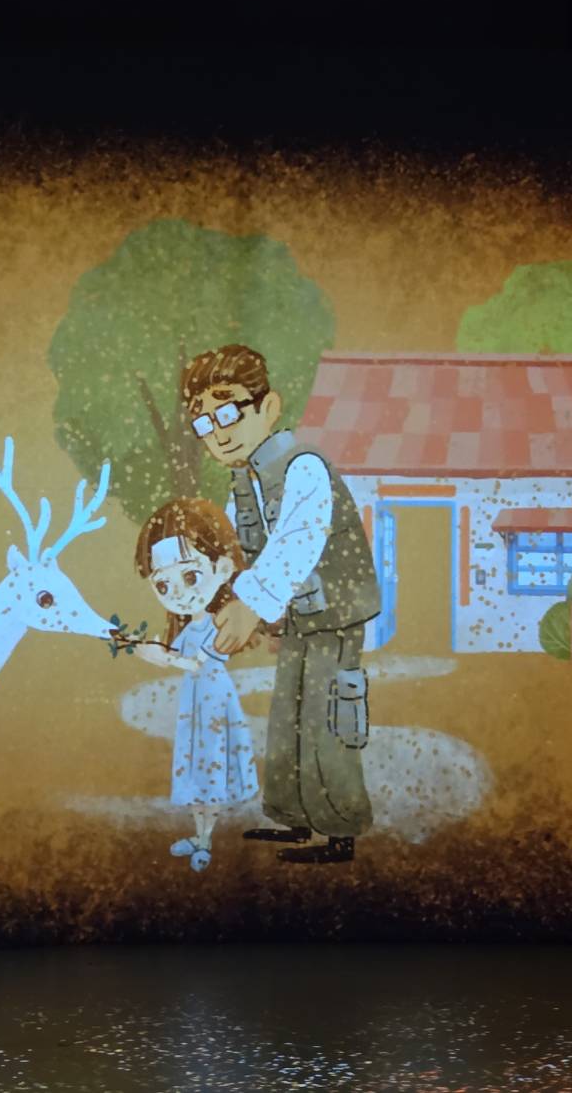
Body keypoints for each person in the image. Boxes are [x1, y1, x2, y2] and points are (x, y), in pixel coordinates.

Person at [180, 344, 378, 864]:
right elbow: (241, 555)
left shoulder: (303, 467)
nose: (218, 432)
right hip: (296, 622)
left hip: (335, 616)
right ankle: (296, 819)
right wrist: (233, 607)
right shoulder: (243, 483)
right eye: (203, 422)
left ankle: (338, 830)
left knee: (327, 717)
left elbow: (296, 544)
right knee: (287, 718)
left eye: (228, 412)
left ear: (267, 408)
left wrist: (251, 606)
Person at [131, 498, 259, 872]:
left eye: (190, 577)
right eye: (163, 584)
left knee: (210, 770)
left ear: (222, 569)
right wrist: (154, 651)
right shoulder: (189, 627)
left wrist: (164, 658)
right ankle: (199, 836)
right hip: (196, 704)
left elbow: (197, 663)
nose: (179, 593)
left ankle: (206, 839)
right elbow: (179, 655)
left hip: (213, 704)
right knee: (196, 771)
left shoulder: (221, 624)